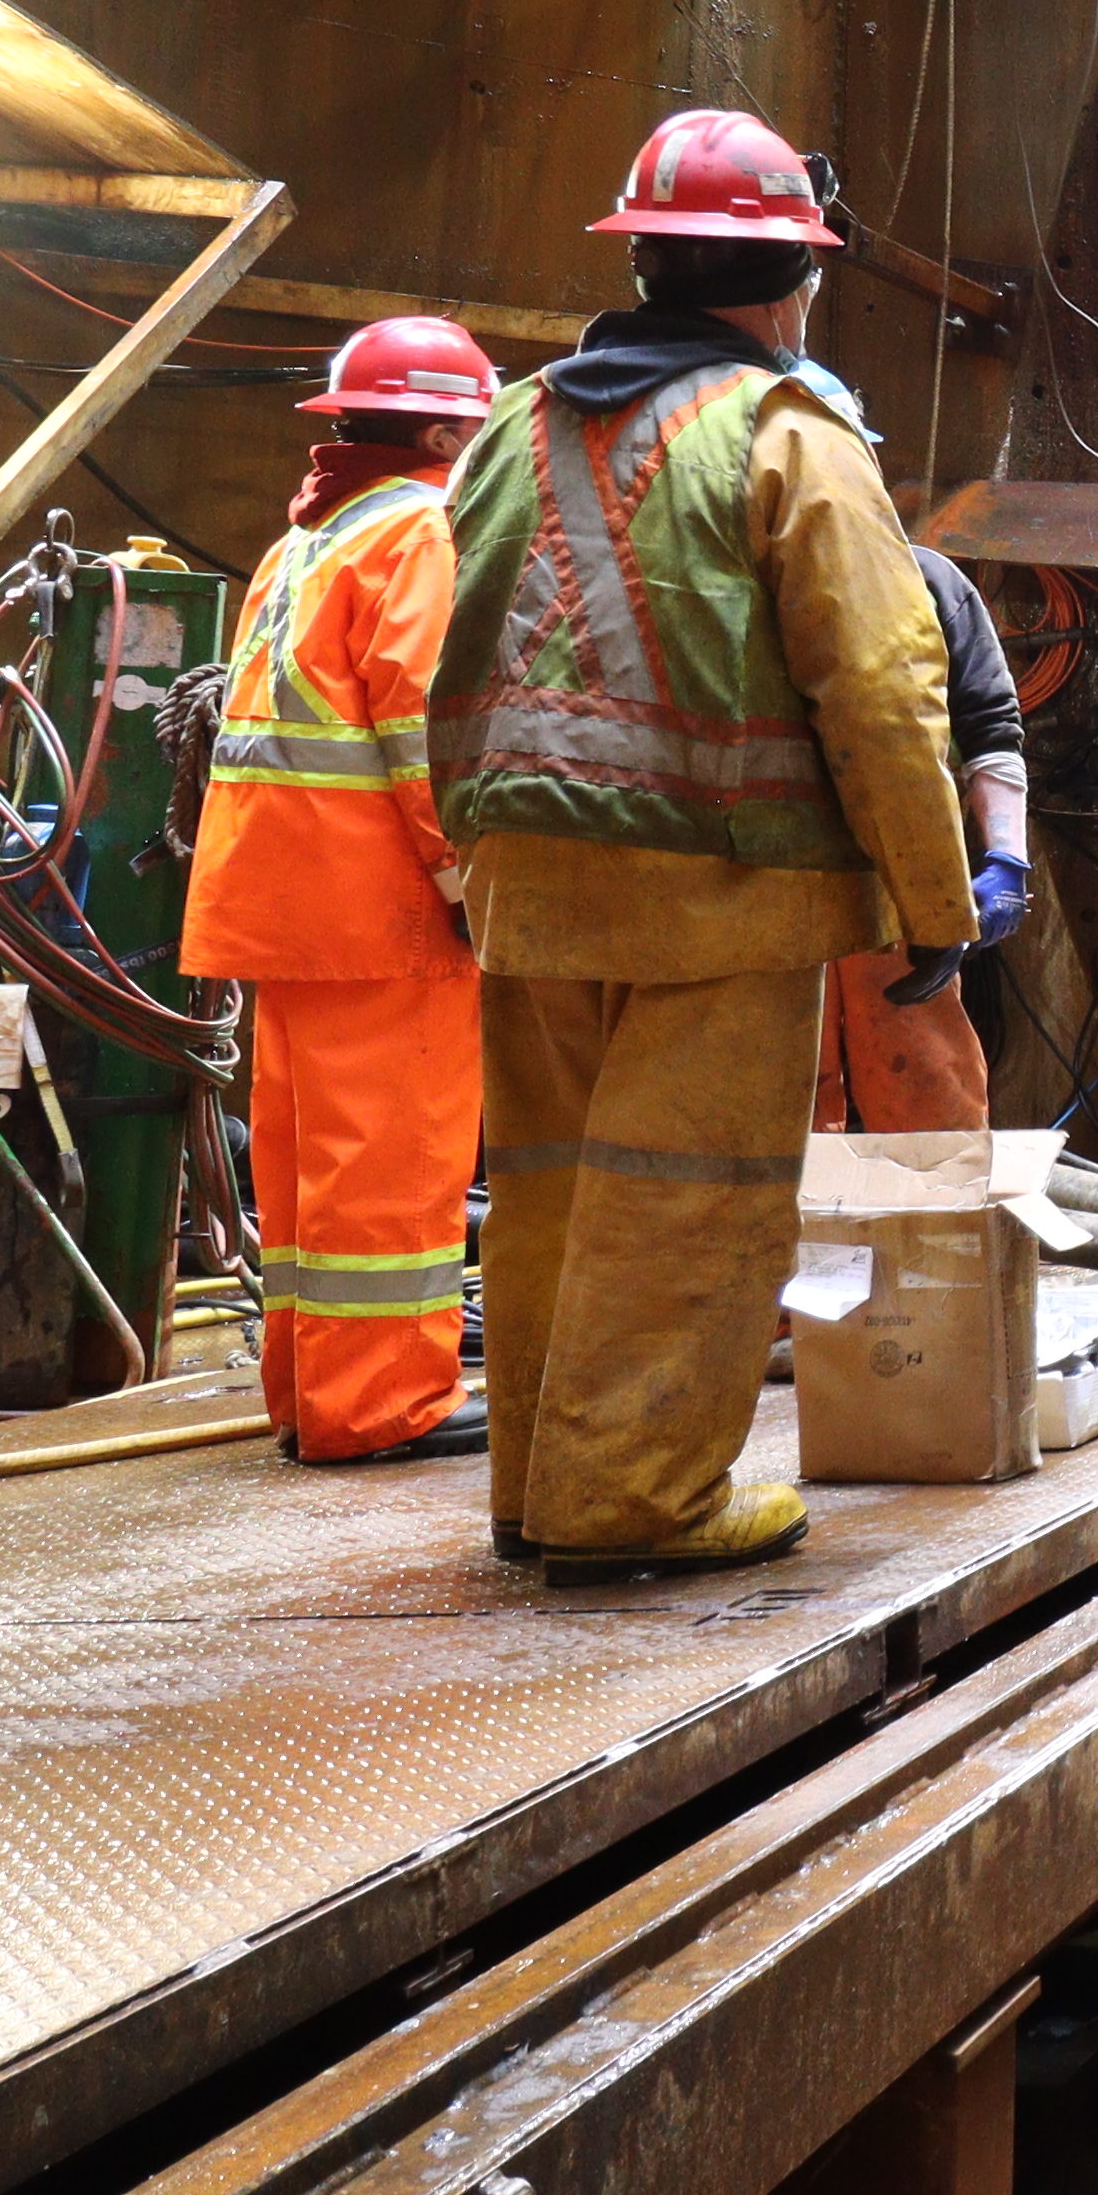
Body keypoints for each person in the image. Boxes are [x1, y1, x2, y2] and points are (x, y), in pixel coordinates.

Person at [430, 113, 981, 1581]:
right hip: (718, 890)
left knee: (549, 1186)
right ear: (791, 281)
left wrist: (464, 864)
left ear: (647, 259)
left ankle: (538, 1488)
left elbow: (455, 656)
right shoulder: (788, 435)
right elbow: (877, 682)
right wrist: (929, 901)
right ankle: (638, 1503)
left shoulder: (511, 425)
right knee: (684, 1202)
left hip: (527, 881)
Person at [180, 315, 496, 1464]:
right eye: (473, 424)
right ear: (436, 425)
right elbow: (425, 719)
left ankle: (310, 1391)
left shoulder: (306, 538)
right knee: (390, 1165)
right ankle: (376, 1404)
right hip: (378, 909)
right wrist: (467, 876)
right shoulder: (420, 529)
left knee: (307, 1170)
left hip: (280, 899)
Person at [819, 540, 1034, 1133]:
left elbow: (991, 730)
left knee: (920, 1084)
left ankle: (940, 1219)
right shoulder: (741, 573)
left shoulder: (928, 578)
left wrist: (1008, 860)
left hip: (899, 879)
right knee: (782, 1107)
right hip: (772, 882)